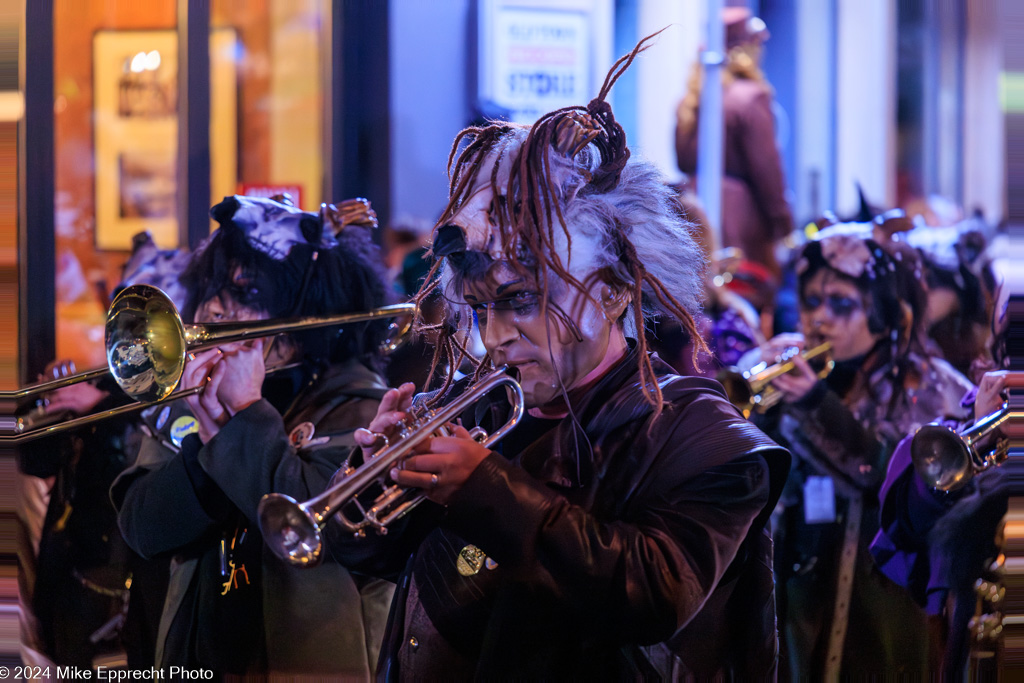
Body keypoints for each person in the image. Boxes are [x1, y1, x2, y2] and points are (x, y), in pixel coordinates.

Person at [322, 35, 791, 680]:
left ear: (615, 291)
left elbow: (652, 593)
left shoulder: (702, 435)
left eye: (521, 301)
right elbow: (361, 555)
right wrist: (374, 476)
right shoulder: (482, 412)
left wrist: (482, 486)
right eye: (481, 308)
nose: (494, 337)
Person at [112, 194, 397, 677]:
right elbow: (143, 529)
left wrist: (244, 415)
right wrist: (207, 435)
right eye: (212, 289)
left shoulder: (360, 405)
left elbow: (319, 530)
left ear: (305, 310)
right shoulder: (193, 399)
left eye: (246, 292)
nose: (216, 308)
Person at [747, 226, 974, 679]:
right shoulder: (799, 376)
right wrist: (759, 415)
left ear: (888, 313)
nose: (819, 319)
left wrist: (816, 406)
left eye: (842, 304)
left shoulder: (938, 387)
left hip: (889, 619)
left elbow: (885, 476)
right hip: (801, 613)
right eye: (811, 301)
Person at [675, 7, 794, 278]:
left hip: (694, 218)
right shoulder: (751, 98)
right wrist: (783, 227)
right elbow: (767, 172)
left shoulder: (690, 102)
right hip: (740, 227)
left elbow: (682, 161)